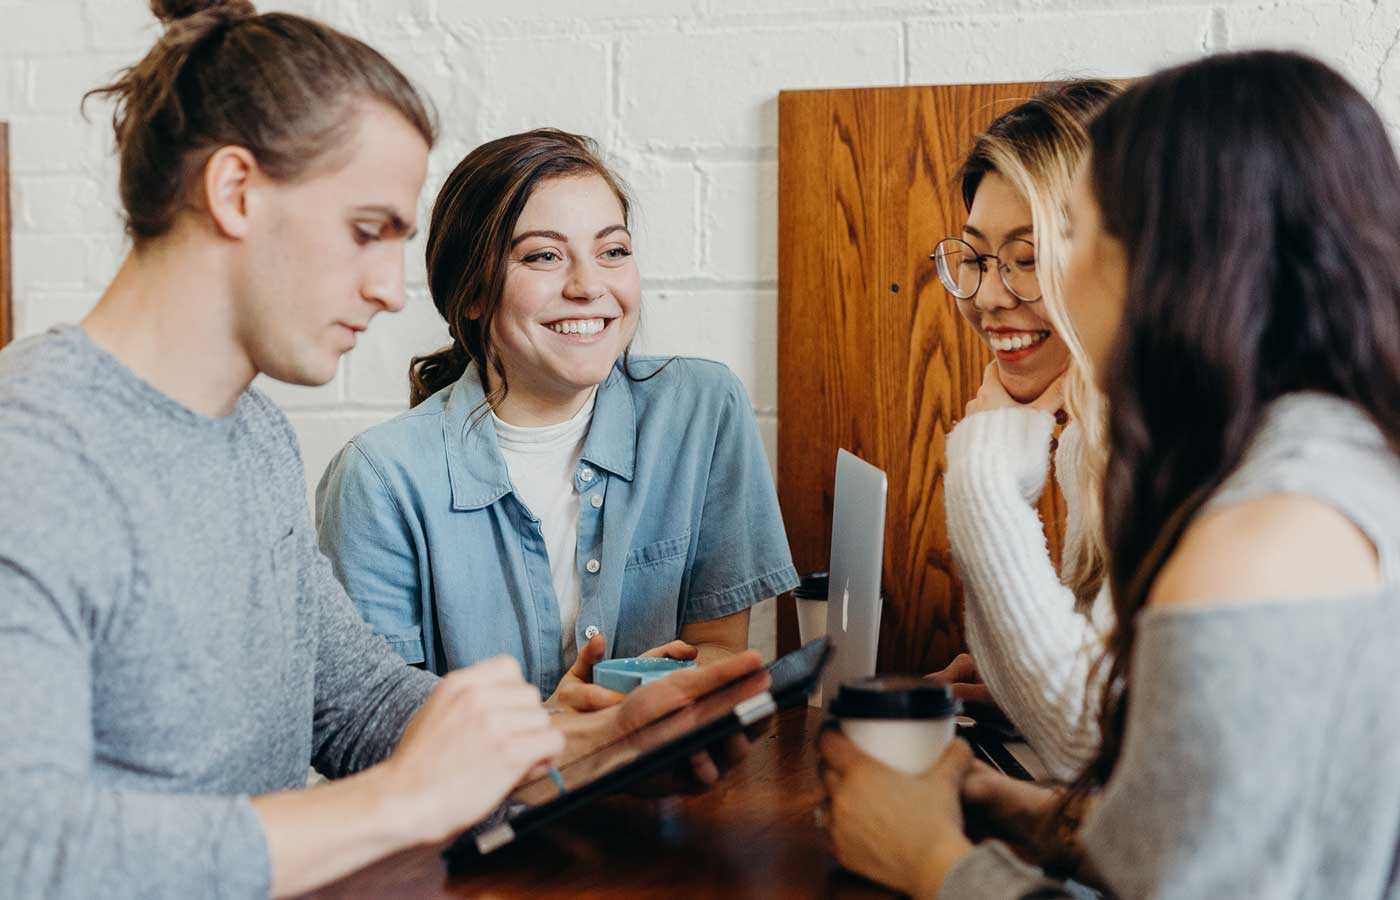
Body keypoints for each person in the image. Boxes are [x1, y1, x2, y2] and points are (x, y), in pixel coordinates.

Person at [0, 4, 764, 898]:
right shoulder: (33, 457)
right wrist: (404, 803)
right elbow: (24, 846)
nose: (390, 290)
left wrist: (585, 750)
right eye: (368, 230)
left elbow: (357, 703)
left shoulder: (252, 438)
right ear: (235, 191)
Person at [820, 49, 1400, 898]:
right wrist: (1024, 813)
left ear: (1178, 258)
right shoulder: (1328, 458)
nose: (1007, 290)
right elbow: (1217, 833)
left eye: (1078, 231)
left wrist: (929, 861)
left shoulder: (1262, 534)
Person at [315, 128, 798, 708]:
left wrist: (652, 692)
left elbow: (719, 648)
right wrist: (557, 730)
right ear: (472, 292)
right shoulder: (379, 478)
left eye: (612, 251)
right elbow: (378, 729)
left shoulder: (702, 409)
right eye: (543, 256)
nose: (589, 286)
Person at [932, 81, 1121, 781]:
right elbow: (1098, 707)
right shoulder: (1091, 436)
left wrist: (982, 469)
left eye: (1027, 256)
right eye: (977, 258)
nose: (986, 295)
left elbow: (1088, 744)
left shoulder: (1176, 444)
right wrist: (1013, 682)